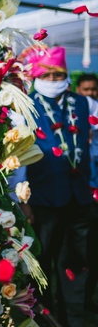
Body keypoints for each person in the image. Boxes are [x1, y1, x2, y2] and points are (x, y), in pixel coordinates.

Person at [16, 46, 95, 327]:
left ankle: (75, 322)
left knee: (77, 260)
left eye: (58, 74)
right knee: (42, 261)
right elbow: (18, 153)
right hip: (42, 198)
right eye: (46, 73)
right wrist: (22, 199)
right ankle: (44, 318)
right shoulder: (26, 104)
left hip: (79, 196)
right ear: (36, 75)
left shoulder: (82, 102)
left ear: (66, 76)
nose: (53, 78)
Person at [74, 72, 98, 314]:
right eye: (86, 90)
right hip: (80, 197)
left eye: (94, 90)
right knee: (80, 252)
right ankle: (75, 303)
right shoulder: (71, 121)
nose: (90, 94)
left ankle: (87, 299)